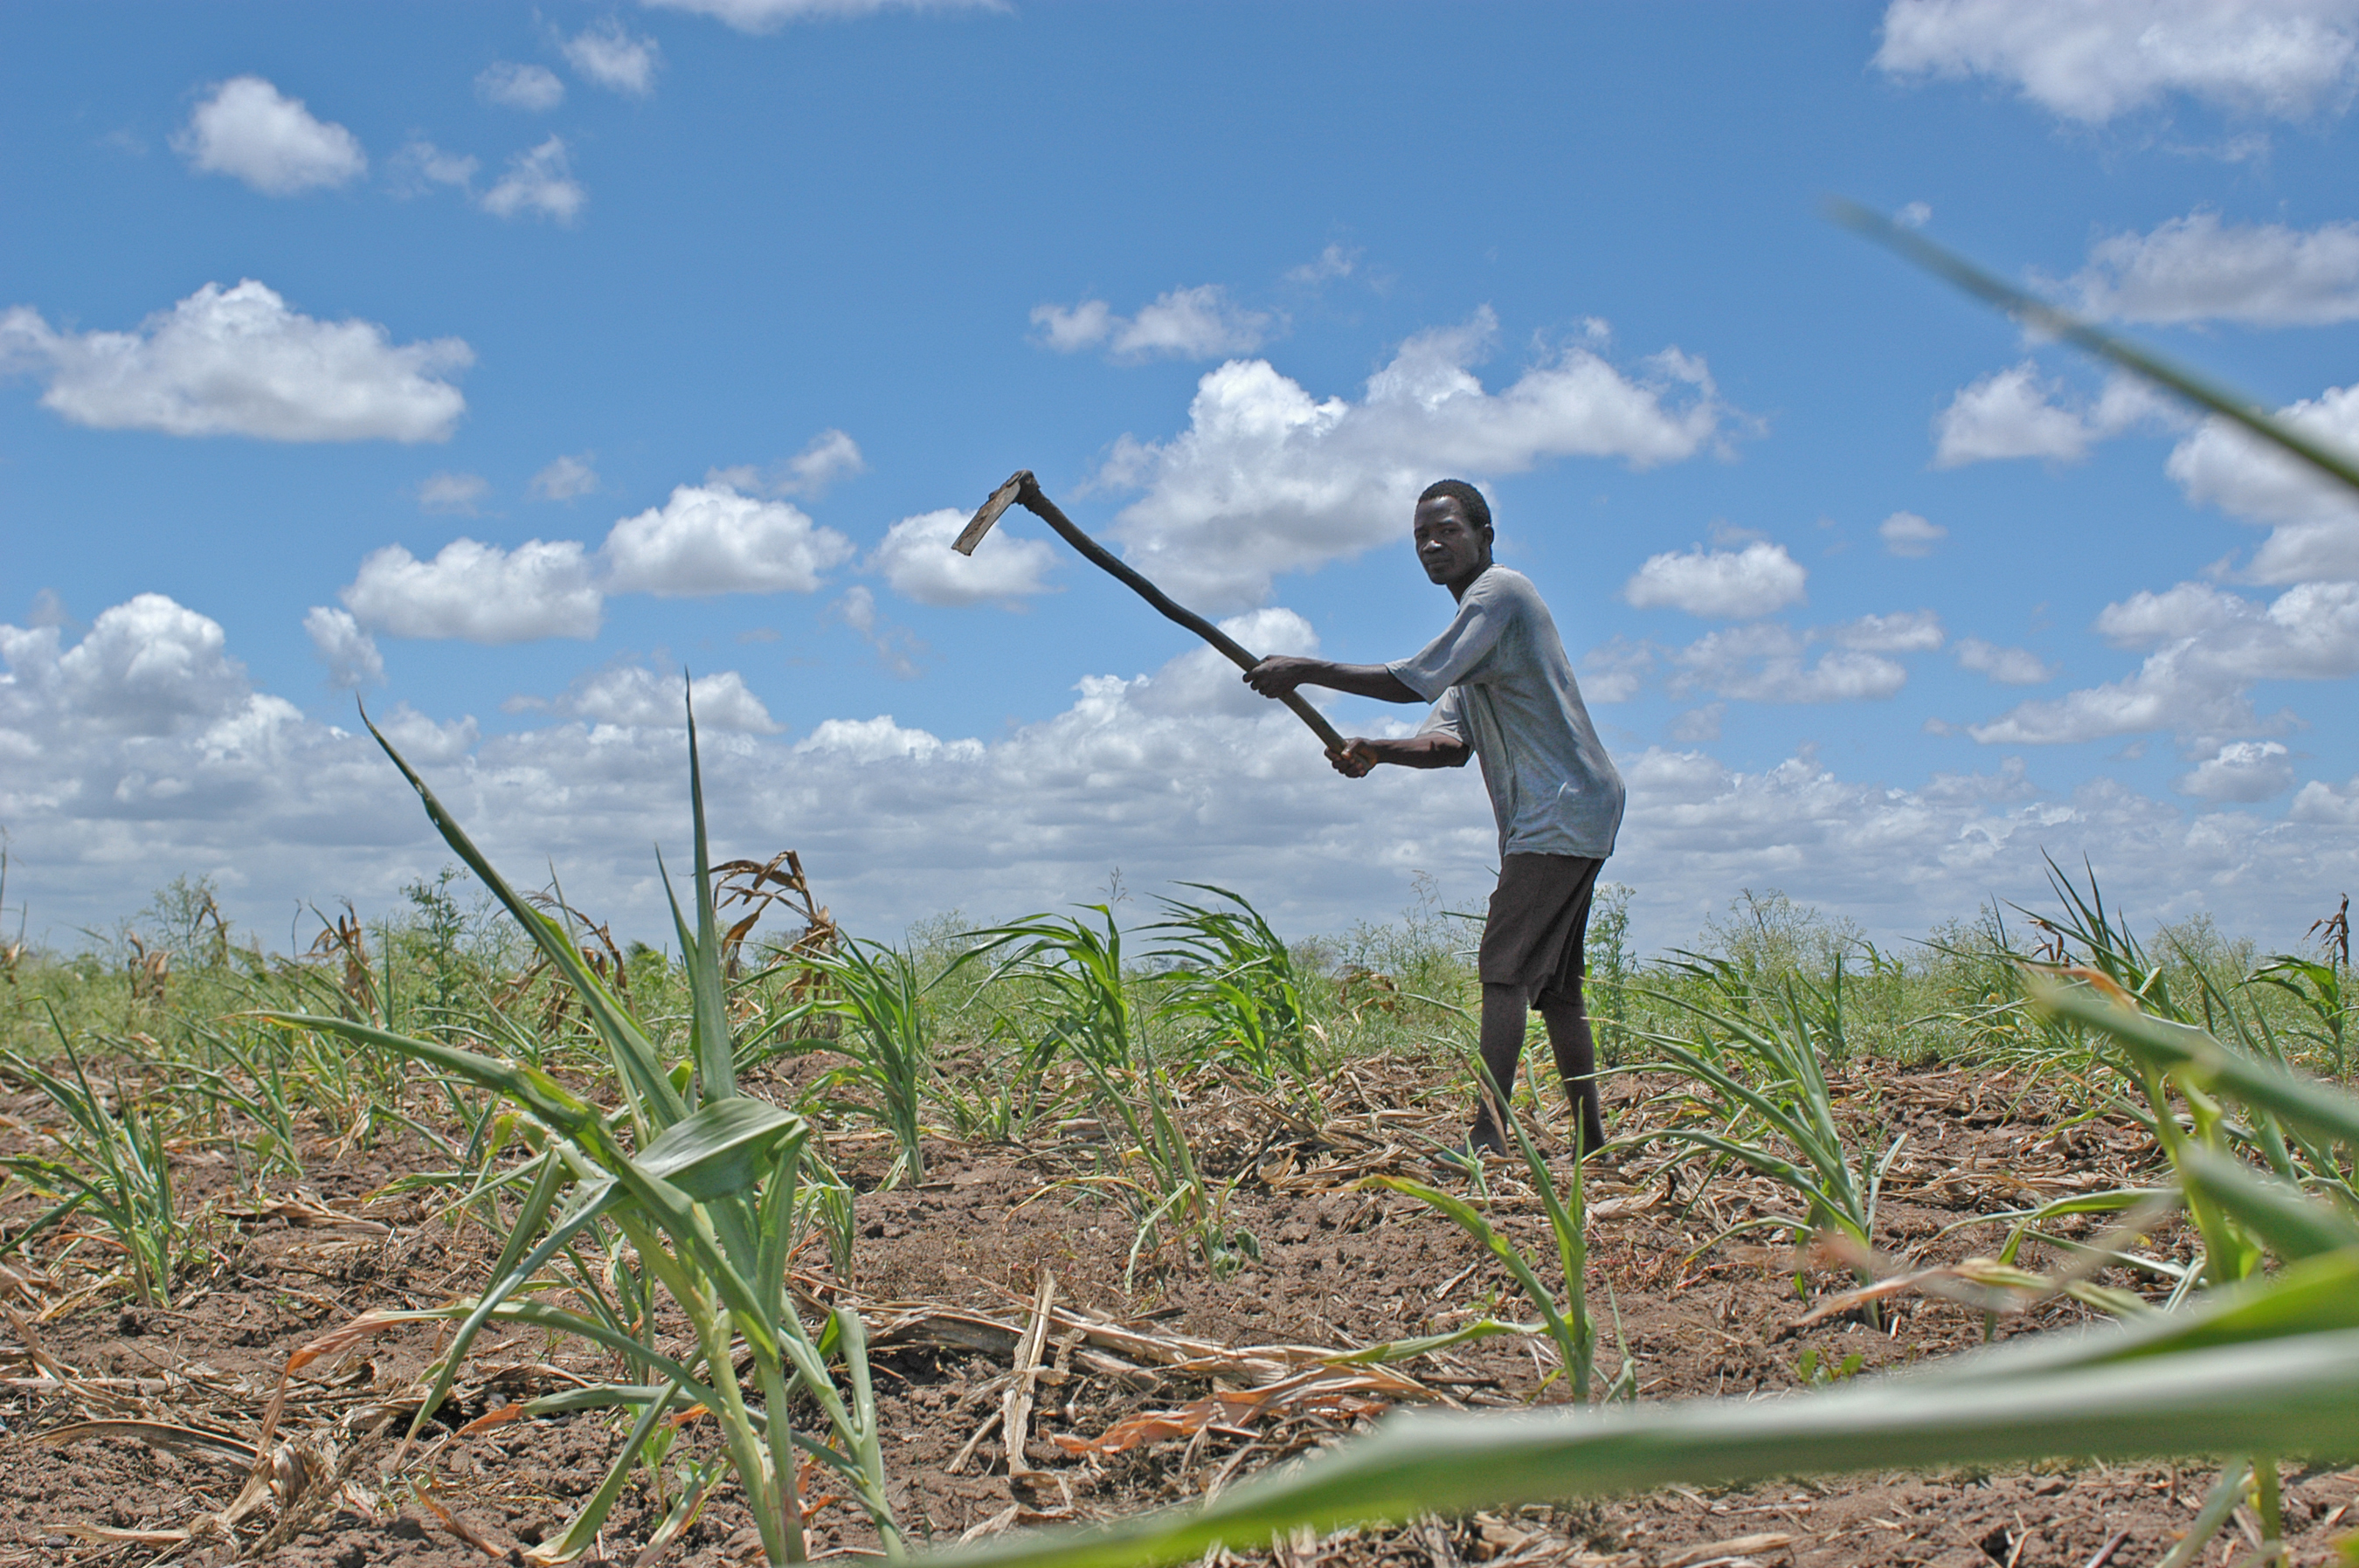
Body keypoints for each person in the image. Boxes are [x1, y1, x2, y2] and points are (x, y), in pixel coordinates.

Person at [1243, 479, 1624, 1164]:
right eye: (1422, 535)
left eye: (1447, 530)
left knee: (1502, 969)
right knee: (1559, 990)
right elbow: (1448, 745)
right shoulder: (1471, 642)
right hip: (1570, 809)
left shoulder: (1498, 596)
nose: (1432, 544)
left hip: (1560, 809)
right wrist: (1376, 751)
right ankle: (1593, 1142)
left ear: (1484, 535)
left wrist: (1303, 668)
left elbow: (1413, 677)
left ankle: (1489, 1133)